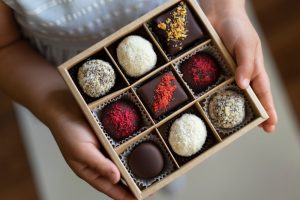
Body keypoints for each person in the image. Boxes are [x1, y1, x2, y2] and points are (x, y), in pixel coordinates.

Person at [0, 0, 278, 199]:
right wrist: (58, 111)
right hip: (63, 83)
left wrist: (225, 11)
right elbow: (5, 46)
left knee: (170, 158)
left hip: (175, 30)